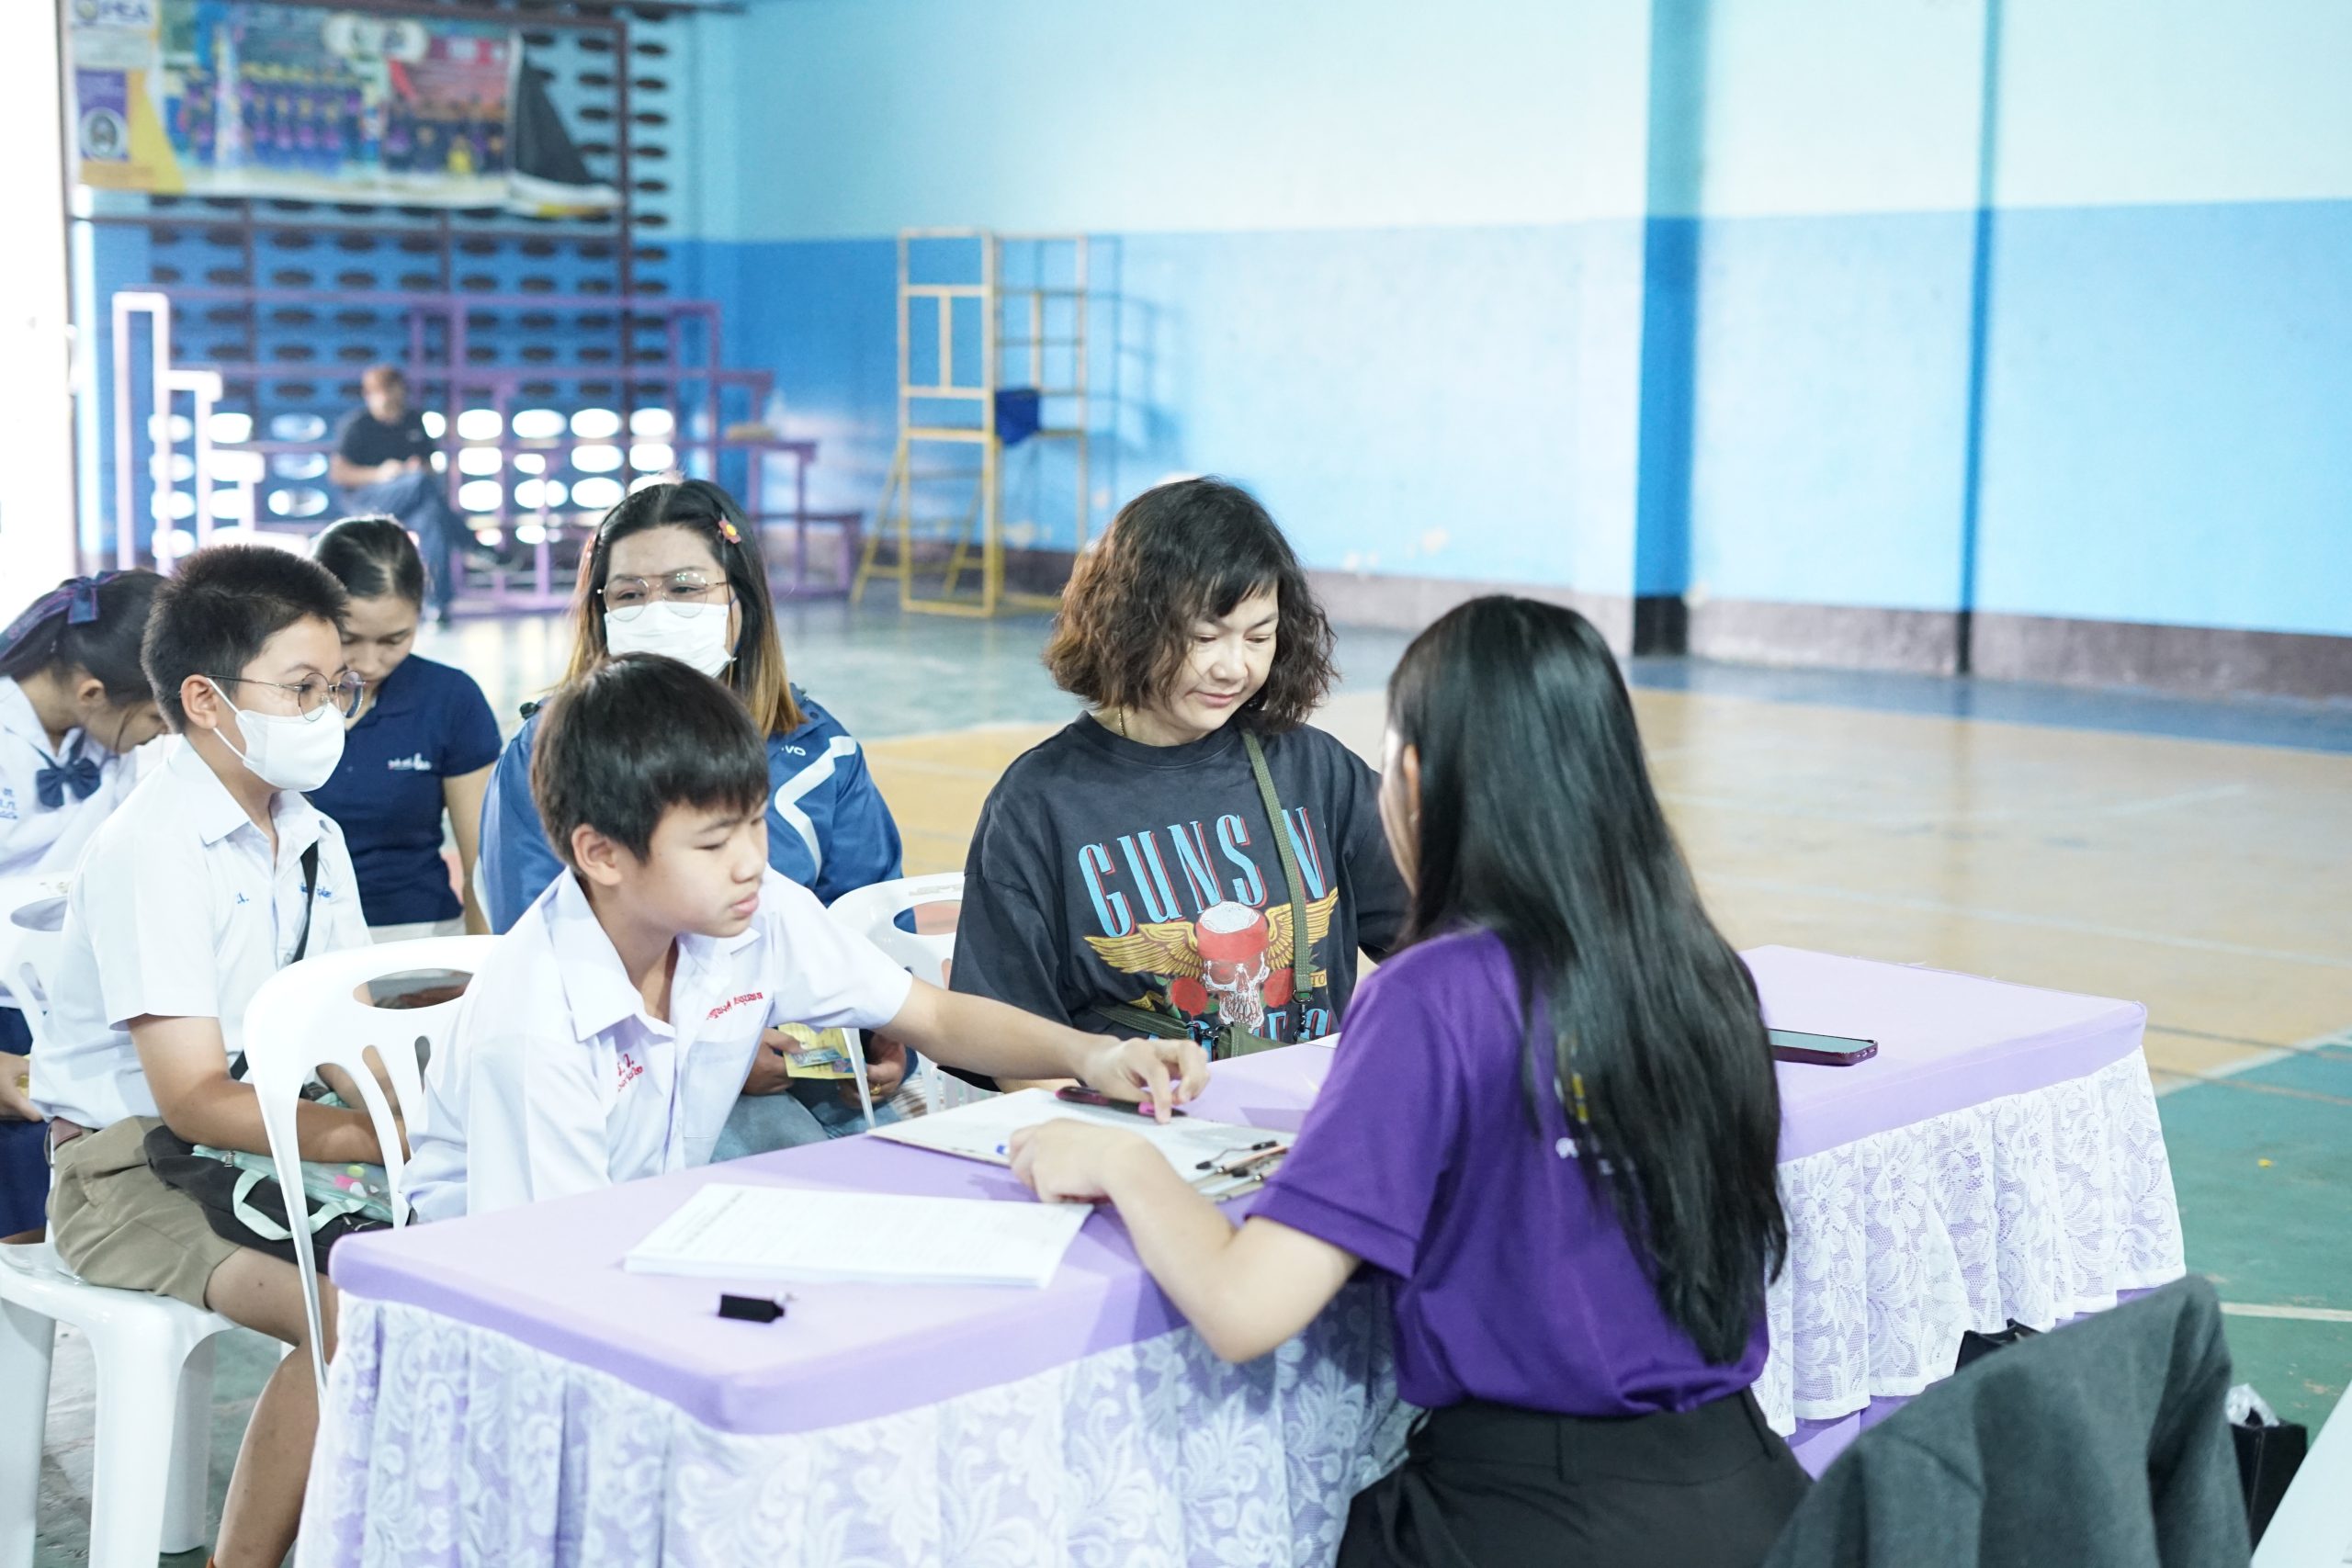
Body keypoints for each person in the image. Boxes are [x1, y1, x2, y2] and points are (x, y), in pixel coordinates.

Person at [1010, 596, 1807, 1568]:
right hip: (1756, 1496)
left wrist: (1125, 1163)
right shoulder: (1704, 971)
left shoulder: (1435, 993)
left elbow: (1244, 1311)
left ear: (1417, 777)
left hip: (1534, 1516)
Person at [404, 655, 1207, 1220]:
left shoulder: (753, 911)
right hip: (498, 1285)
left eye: (755, 823)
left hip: (644, 1222)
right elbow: (550, 1258)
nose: (751, 860)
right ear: (601, 854)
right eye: (713, 843)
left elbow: (934, 1015)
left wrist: (1091, 1056)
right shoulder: (534, 1022)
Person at [33, 545, 377, 1568]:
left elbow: (348, 1027)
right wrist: (365, 1135)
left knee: (462, 1266)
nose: (328, 712)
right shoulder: (154, 845)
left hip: (262, 1140)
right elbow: (189, 1098)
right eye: (302, 689)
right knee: (355, 1315)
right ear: (205, 698)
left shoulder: (309, 834)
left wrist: (407, 1113)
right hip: (128, 1170)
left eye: (339, 686)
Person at [479, 478, 909, 1154]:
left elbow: (871, 921)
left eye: (685, 587)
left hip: (814, 1071)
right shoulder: (545, 752)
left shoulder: (823, 749)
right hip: (636, 1086)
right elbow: (538, 949)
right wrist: (717, 1050)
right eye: (629, 594)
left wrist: (884, 1032)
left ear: (742, 601)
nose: (657, 611)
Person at [951, 479, 1408, 1070]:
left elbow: (1437, 939)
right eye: (1203, 637)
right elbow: (1006, 1045)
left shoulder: (1314, 770)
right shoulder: (1040, 803)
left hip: (1311, 1112)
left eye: (1259, 636)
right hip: (1132, 1119)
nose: (1234, 667)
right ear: (1128, 627)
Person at [0, 570, 166, 1243]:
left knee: (68, 1209)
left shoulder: (100, 733)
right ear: (93, 692)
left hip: (65, 997)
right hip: (6, 1011)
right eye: (158, 715)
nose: (167, 730)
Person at [306, 516, 500, 939]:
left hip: (420, 936)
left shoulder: (451, 700)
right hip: (295, 939)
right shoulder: (274, 698)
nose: (369, 663)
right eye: (348, 638)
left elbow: (481, 868)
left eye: (394, 640)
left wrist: (482, 966)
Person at [328, 364, 465, 626]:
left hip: (412, 500)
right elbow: (339, 474)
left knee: (433, 519)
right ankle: (472, 543)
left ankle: (437, 605)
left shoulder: (413, 420)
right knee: (420, 484)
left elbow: (429, 467)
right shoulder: (357, 425)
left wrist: (415, 468)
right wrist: (380, 474)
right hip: (368, 498)